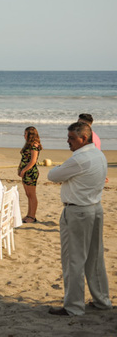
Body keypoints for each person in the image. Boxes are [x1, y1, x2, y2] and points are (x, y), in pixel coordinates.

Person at [47, 122, 111, 316]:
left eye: (71, 138)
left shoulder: (80, 159)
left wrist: (64, 171)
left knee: (73, 260)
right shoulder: (99, 154)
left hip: (78, 212)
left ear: (83, 138)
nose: (68, 141)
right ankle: (102, 300)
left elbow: (53, 175)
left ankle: (74, 306)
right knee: (95, 257)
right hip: (94, 208)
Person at [18, 126, 42, 224]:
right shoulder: (28, 145)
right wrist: (19, 168)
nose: (24, 135)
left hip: (31, 172)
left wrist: (24, 170)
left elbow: (33, 161)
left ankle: (32, 216)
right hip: (25, 171)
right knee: (28, 194)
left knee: (32, 195)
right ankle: (29, 215)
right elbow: (24, 159)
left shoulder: (34, 145)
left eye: (25, 133)